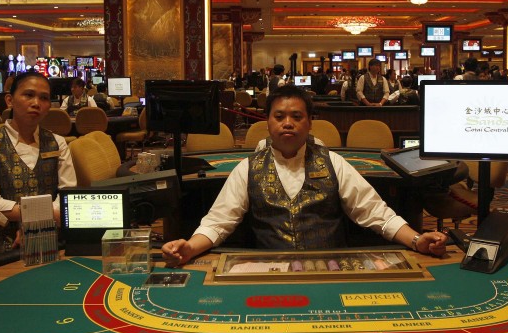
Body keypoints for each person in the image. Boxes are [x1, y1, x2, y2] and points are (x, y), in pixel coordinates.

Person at [161, 85, 447, 266]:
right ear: (268, 122)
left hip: (331, 270)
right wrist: (189, 248)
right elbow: (219, 223)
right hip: (269, 272)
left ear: (310, 123)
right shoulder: (248, 167)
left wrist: (416, 240)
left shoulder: (334, 162)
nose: (288, 123)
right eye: (279, 116)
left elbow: (375, 214)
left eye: (297, 117)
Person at [0, 72, 77, 243]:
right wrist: (40, 217)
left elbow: (67, 192)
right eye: (28, 95)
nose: (36, 103)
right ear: (9, 100)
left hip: (54, 238)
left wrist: (41, 223)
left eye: (44, 98)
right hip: (8, 241)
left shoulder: (58, 143)